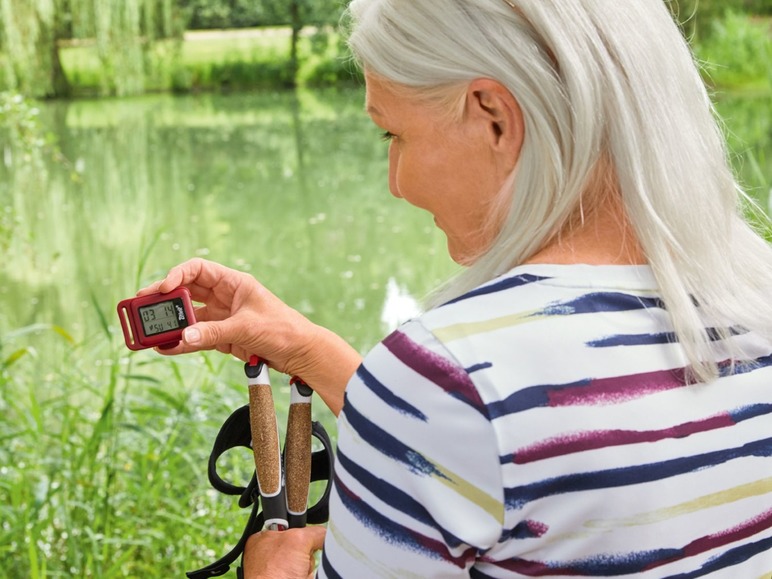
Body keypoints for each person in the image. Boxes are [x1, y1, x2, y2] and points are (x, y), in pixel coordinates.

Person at [139, 0, 772, 576]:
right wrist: (311, 353)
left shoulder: (449, 383)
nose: (396, 182)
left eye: (396, 135)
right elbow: (512, 444)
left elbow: (473, 422)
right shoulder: (750, 305)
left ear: (493, 118)